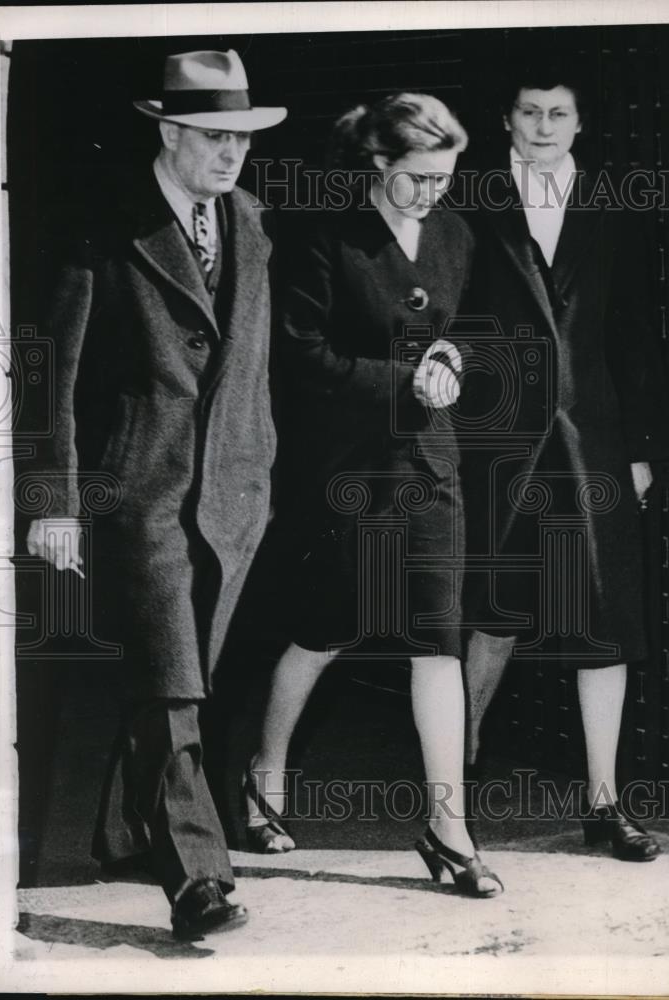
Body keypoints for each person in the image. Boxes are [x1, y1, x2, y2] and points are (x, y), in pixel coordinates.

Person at [25, 50, 286, 939]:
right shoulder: (102, 226)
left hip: (236, 493)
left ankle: (125, 832)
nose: (229, 156)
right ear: (169, 132)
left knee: (181, 674)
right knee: (172, 676)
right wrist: (52, 499)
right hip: (140, 488)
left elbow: (256, 364)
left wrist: (267, 467)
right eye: (213, 138)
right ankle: (197, 878)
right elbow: (49, 368)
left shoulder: (251, 220)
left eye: (240, 141)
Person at [243, 93, 503, 898]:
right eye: (419, 177)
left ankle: (447, 826)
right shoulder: (324, 238)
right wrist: (404, 381)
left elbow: (468, 329)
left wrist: (453, 362)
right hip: (347, 470)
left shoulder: (456, 235)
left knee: (437, 639)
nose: (434, 192)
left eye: (445, 178)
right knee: (328, 632)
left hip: (429, 467)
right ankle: (266, 772)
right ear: (377, 166)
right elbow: (301, 355)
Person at [459, 63, 669, 861]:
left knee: (604, 624)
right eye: (528, 112)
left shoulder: (614, 203)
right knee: (492, 612)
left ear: (580, 124)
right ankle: (459, 775)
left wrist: (645, 449)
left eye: (558, 114)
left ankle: (605, 803)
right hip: (497, 440)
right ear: (506, 119)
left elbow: (633, 334)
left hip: (595, 443)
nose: (543, 127)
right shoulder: (470, 195)